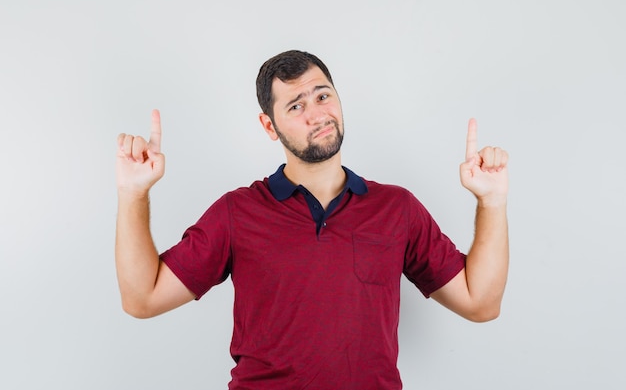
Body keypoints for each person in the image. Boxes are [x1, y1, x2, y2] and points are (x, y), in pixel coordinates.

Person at [115, 50, 509, 389]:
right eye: (296, 105)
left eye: (323, 95)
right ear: (269, 126)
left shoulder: (397, 208)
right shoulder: (237, 213)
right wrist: (134, 193)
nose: (317, 114)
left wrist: (491, 202)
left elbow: (481, 303)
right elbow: (142, 298)